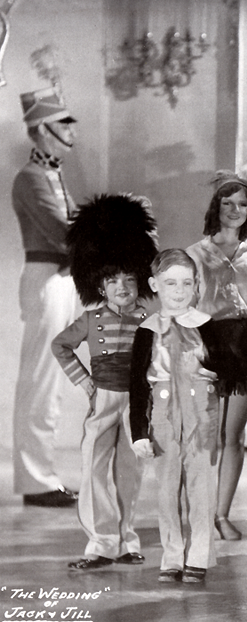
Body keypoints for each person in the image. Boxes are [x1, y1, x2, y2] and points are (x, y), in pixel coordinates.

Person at [52, 194, 158, 570]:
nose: (122, 287)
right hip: (102, 402)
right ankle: (100, 543)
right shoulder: (91, 320)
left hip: (136, 404)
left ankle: (126, 539)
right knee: (94, 469)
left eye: (129, 279)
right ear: (100, 286)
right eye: (113, 281)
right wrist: (84, 382)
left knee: (130, 472)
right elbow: (61, 346)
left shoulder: (148, 320)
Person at [129, 249, 226, 584]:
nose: (179, 290)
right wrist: (139, 432)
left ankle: (199, 555)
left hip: (201, 410)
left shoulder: (206, 325)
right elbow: (137, 384)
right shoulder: (147, 330)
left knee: (201, 486)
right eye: (170, 283)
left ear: (196, 285)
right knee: (167, 488)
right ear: (155, 284)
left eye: (186, 283)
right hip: (163, 411)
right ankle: (172, 555)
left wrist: (203, 362)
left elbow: (228, 366)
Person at [186, 171, 247, 541]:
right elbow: (186, 305)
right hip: (208, 344)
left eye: (242, 204)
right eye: (227, 203)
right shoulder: (195, 253)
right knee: (206, 436)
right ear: (215, 207)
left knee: (232, 435)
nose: (235, 210)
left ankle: (221, 514)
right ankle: (200, 512)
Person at [12, 86, 82, 507]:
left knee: (51, 380)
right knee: (39, 381)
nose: (72, 131)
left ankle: (41, 475)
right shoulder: (31, 177)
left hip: (61, 280)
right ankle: (35, 479)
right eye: (63, 124)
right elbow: (62, 233)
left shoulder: (52, 173)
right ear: (42, 130)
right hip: (45, 278)